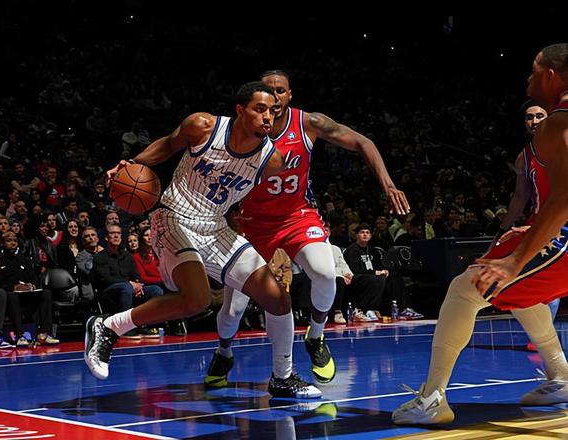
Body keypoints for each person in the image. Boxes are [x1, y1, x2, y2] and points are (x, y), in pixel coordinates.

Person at [84, 81, 321, 398]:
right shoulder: (203, 126)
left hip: (216, 227)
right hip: (174, 216)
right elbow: (168, 145)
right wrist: (133, 164)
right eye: (260, 109)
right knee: (196, 299)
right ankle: (109, 326)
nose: (268, 117)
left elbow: (244, 196)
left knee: (277, 299)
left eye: (273, 112)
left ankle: (283, 377)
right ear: (240, 110)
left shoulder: (272, 160)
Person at [392, 43, 568, 426]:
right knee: (518, 292)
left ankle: (431, 399)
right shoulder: (533, 147)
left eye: (534, 71)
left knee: (467, 287)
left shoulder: (560, 121)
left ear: (551, 76)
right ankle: (560, 376)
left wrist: (516, 258)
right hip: (548, 227)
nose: (528, 79)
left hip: (563, 236)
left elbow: (564, 197)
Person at [206, 70, 410, 386]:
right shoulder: (242, 129)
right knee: (233, 310)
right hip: (253, 223)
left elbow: (363, 141)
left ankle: (315, 336)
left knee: (326, 273)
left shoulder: (308, 124)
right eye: (268, 90)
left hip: (296, 216)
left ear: (289, 95)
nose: (275, 96)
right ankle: (224, 352)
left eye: (281, 90)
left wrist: (388, 185)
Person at [494, 100, 560, 351]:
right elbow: (520, 197)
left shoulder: (563, 145)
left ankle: (544, 340)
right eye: (529, 117)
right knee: (536, 279)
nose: (534, 121)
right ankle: (543, 339)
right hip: (537, 222)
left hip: (559, 222)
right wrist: (503, 228)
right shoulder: (524, 156)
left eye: (540, 116)